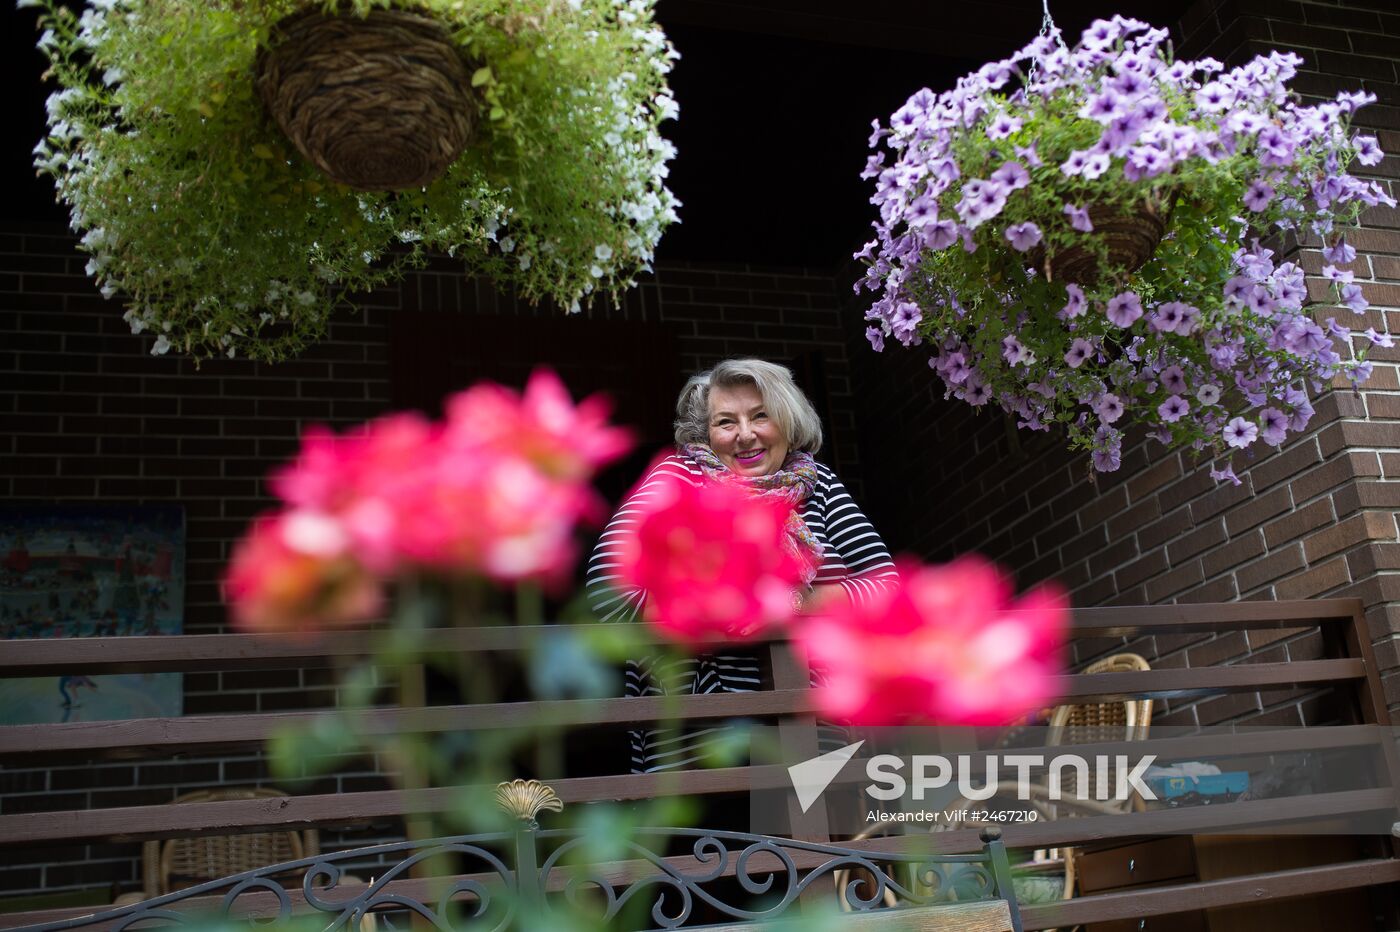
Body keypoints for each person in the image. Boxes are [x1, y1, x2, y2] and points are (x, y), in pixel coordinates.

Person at [586, 358, 898, 774]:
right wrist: (715, 610)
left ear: (787, 421)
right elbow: (608, 586)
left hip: (820, 726)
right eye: (726, 422)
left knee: (822, 837)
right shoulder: (680, 475)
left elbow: (886, 587)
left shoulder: (817, 483)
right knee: (722, 836)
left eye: (760, 416)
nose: (745, 435)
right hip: (701, 735)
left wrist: (791, 603)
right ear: (707, 432)